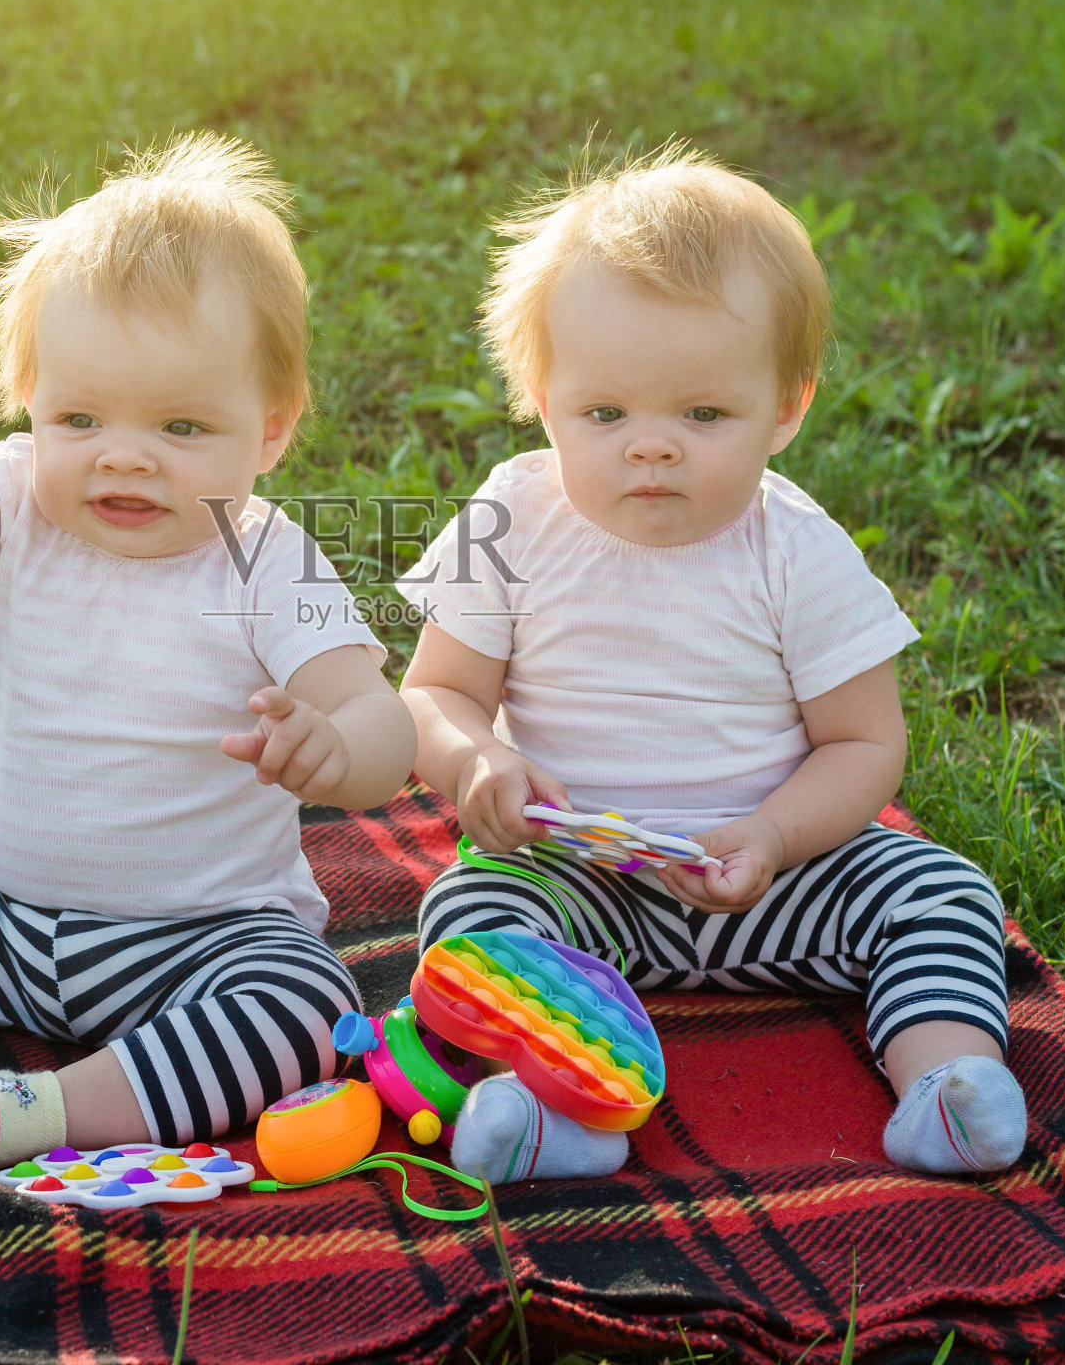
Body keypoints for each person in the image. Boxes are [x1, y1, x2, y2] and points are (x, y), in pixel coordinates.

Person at [0, 134, 417, 1171]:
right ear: (30, 401)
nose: (123, 453)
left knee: (302, 1006)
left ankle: (29, 1112)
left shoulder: (267, 559)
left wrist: (336, 747)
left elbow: (379, 716)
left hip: (199, 939)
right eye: (79, 415)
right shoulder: (13, 502)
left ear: (270, 432)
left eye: (182, 425)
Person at [396, 144, 1025, 1183]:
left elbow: (863, 742)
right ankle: (555, 1110)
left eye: (701, 413)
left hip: (780, 874)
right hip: (583, 875)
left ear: (785, 407)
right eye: (605, 414)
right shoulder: (508, 514)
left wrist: (776, 833)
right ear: (542, 398)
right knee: (469, 913)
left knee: (938, 890)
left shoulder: (796, 548)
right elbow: (435, 691)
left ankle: (946, 1084)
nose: (652, 447)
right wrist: (473, 767)